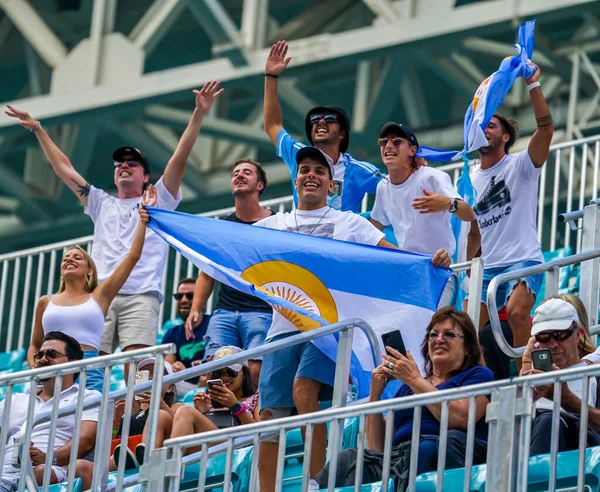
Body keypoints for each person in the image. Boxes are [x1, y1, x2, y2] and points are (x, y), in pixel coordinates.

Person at [253, 146, 438, 492]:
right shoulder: (272, 225)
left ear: (332, 185)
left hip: (330, 329)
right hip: (281, 331)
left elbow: (390, 255)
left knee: (303, 390)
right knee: (268, 419)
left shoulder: (349, 222)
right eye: (304, 169)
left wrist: (429, 263)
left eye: (319, 171)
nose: (311, 175)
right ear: (295, 180)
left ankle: (314, 483)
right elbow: (231, 242)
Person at [5, 81, 224, 356]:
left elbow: (180, 157)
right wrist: (38, 129)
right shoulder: (100, 202)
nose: (123, 166)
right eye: (119, 164)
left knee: (138, 367)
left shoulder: (159, 198)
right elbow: (63, 169)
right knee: (90, 364)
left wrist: (199, 113)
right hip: (99, 295)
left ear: (145, 176)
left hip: (141, 292)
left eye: (132, 164)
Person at [313, 307, 493, 490]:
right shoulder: (408, 388)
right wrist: (375, 395)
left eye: (449, 334)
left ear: (468, 349)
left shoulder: (478, 375)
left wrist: (414, 379)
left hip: (441, 452)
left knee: (425, 449)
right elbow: (378, 447)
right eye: (433, 335)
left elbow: (459, 419)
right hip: (399, 458)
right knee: (347, 459)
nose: (439, 339)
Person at [27, 186, 157, 392]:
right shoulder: (45, 301)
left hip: (88, 368)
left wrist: (143, 219)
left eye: (77, 257)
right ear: (61, 271)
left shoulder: (100, 296)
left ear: (90, 270)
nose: (70, 259)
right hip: (50, 367)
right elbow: (35, 344)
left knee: (85, 421)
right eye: (66, 258)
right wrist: (34, 366)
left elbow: (132, 257)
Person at [466, 64, 554, 361]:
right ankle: (475, 389)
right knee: (467, 333)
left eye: (493, 125)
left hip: (523, 258)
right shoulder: (468, 178)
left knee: (517, 314)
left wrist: (532, 84)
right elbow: (475, 228)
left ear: (506, 137)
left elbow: (545, 128)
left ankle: (526, 377)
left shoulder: (521, 167)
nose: (485, 129)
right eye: (483, 125)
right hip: (488, 266)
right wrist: (469, 266)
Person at [263, 40, 382, 212]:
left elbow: (395, 188)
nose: (320, 122)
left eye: (330, 119)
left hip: (341, 238)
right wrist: (270, 76)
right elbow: (272, 124)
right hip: (304, 237)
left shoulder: (357, 170)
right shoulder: (297, 154)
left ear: (342, 133)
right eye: (315, 119)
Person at [186, 159, 273, 385]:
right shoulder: (222, 227)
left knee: (255, 370)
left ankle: (253, 418)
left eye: (247, 172)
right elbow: (207, 272)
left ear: (260, 185)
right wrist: (196, 309)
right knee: (213, 372)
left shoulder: (275, 224)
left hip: (262, 310)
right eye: (235, 173)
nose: (239, 175)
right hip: (224, 311)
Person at [370, 122, 475, 306]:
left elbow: (468, 214)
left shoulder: (431, 177)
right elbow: (371, 229)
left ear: (412, 150)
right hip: (407, 271)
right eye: (383, 141)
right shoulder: (382, 187)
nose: (388, 146)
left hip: (439, 270)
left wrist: (448, 204)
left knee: (431, 326)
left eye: (396, 141)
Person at [0, 332, 99, 491]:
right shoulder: (15, 399)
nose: (43, 359)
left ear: (73, 364)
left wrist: (48, 458)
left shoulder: (87, 397)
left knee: (40, 473)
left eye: (52, 354)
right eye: (40, 355)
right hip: (5, 475)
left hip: (50, 471)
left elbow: (85, 440)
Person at [520, 298, 600, 456]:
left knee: (548, 420)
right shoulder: (528, 380)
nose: (553, 344)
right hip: (537, 447)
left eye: (561, 335)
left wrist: (568, 400)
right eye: (544, 337)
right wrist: (524, 393)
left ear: (578, 335)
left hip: (581, 455)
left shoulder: (595, 376)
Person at [169, 346, 260, 455]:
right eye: (219, 373)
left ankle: (169, 465)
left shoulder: (256, 398)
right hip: (210, 448)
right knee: (168, 413)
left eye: (231, 372)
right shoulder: (209, 400)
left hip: (235, 449)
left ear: (244, 373)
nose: (224, 377)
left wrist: (235, 406)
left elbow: (260, 433)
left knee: (185, 411)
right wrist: (204, 413)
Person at [110, 358, 183, 470]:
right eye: (144, 374)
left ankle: (146, 458)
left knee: (160, 415)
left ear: (169, 387)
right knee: (107, 463)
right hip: (126, 459)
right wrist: (115, 421)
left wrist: (160, 404)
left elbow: (181, 430)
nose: (150, 377)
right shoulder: (127, 415)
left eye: (156, 373)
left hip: (159, 457)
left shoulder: (176, 407)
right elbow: (108, 445)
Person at [163, 278, 212, 395]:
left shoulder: (215, 324)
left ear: (202, 301)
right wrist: (173, 368)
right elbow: (166, 369)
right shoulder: (172, 333)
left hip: (213, 383)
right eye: (179, 296)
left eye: (190, 296)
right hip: (184, 386)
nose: (184, 300)